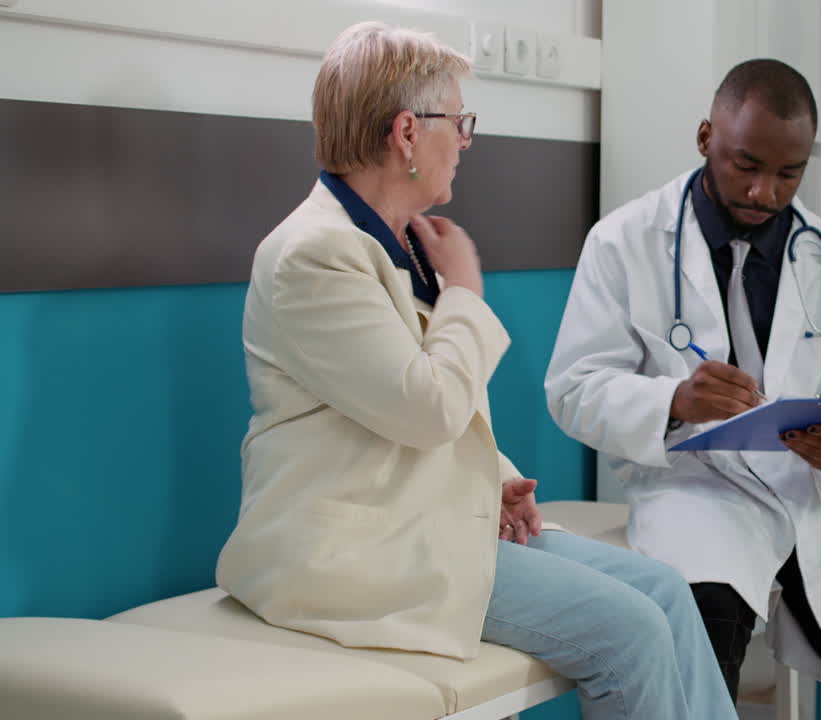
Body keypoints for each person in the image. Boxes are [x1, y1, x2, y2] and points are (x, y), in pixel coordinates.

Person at [214, 21, 736, 720]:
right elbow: (425, 406)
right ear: (406, 133)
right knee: (631, 631)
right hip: (354, 555)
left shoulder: (399, 244)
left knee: (667, 593)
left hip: (422, 527)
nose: (464, 141)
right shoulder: (313, 256)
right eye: (459, 123)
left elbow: (403, 405)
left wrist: (493, 481)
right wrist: (464, 291)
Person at [545, 59, 821, 720]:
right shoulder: (624, 243)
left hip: (810, 500)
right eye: (746, 165)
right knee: (705, 638)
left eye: (789, 174)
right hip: (695, 490)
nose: (764, 192)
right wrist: (672, 401)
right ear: (706, 137)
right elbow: (573, 390)